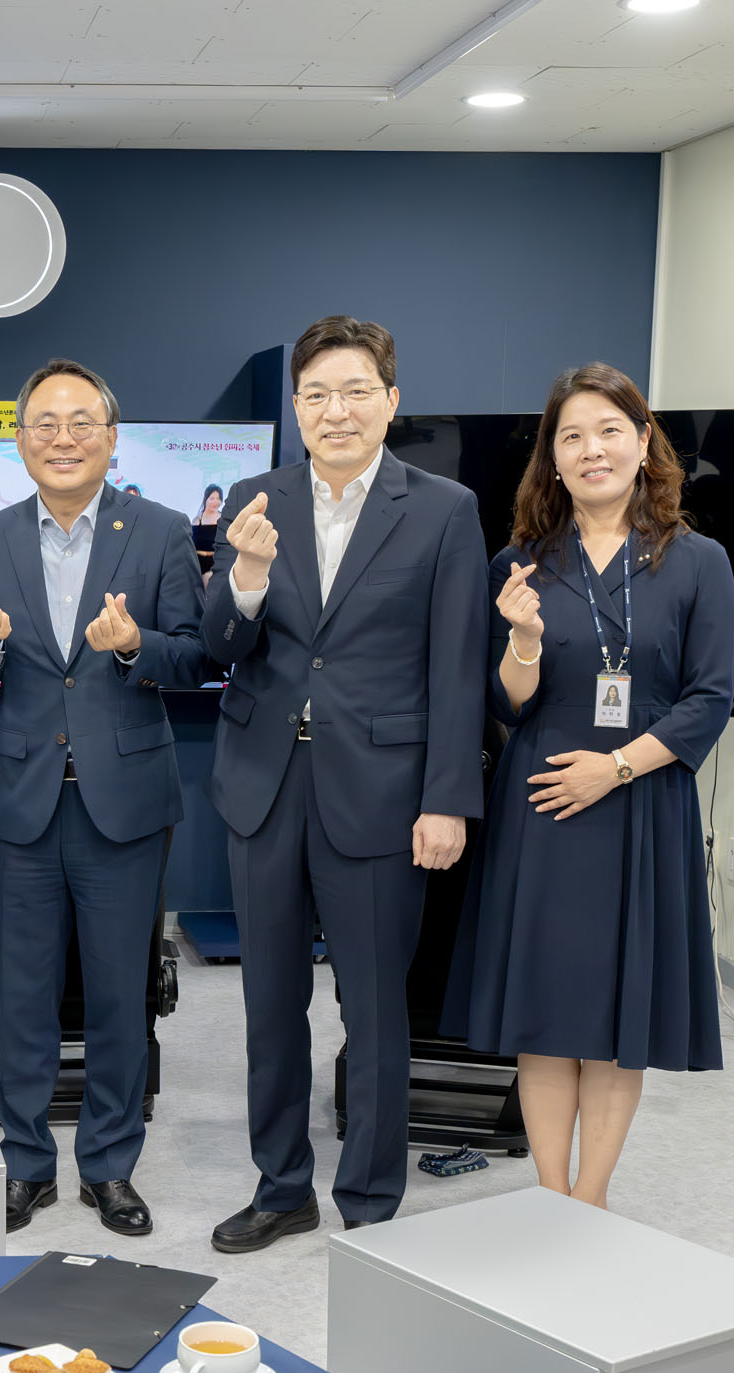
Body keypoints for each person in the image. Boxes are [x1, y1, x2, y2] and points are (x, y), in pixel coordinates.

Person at [202, 315, 485, 1251]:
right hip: (265, 787)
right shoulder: (256, 499)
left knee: (373, 1011)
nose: (337, 410)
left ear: (390, 401)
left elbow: (457, 668)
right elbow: (220, 644)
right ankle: (283, 1186)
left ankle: (369, 1200)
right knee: (269, 1007)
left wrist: (447, 800)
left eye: (356, 391)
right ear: (296, 408)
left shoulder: (443, 509)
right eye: (318, 394)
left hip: (383, 792)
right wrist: (245, 576)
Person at [444, 361, 734, 1210]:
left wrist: (615, 767)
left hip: (642, 800)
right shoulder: (521, 563)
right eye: (570, 436)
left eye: (609, 431)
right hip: (543, 804)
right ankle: (548, 1194)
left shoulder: (699, 562)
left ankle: (590, 1200)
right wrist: (524, 640)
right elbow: (505, 701)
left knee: (615, 1019)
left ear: (643, 442)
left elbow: (710, 698)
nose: (591, 450)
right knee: (545, 1016)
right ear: (553, 457)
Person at [0, 358, 206, 1237]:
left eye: (81, 423)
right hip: (23, 801)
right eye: (45, 425)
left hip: (124, 804)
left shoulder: (161, 530)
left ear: (111, 436)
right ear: (21, 440)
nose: (63, 439)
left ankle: (109, 1166)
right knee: (20, 996)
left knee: (118, 997)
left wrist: (136, 646)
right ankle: (26, 1164)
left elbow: (194, 657)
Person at [193, 484, 224, 580]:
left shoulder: (223, 520)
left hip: (215, 563)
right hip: (197, 562)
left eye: (218, 499)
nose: (216, 502)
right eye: (212, 498)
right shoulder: (197, 519)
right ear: (206, 499)